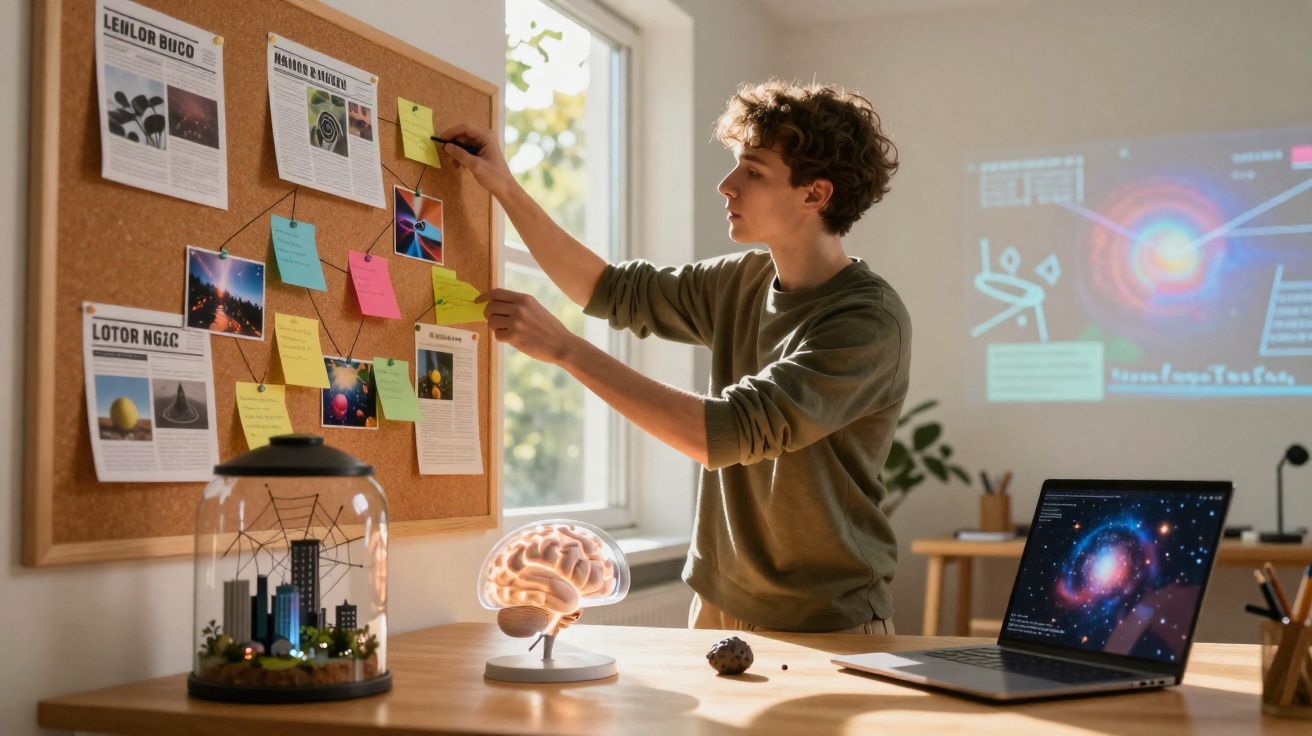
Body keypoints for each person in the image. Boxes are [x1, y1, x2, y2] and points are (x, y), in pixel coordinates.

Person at [440, 78, 910, 634]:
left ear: (815, 195)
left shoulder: (868, 322)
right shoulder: (741, 279)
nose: (726, 185)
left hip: (824, 618)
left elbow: (723, 434)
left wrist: (565, 349)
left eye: (753, 172)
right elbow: (609, 289)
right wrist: (503, 185)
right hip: (717, 599)